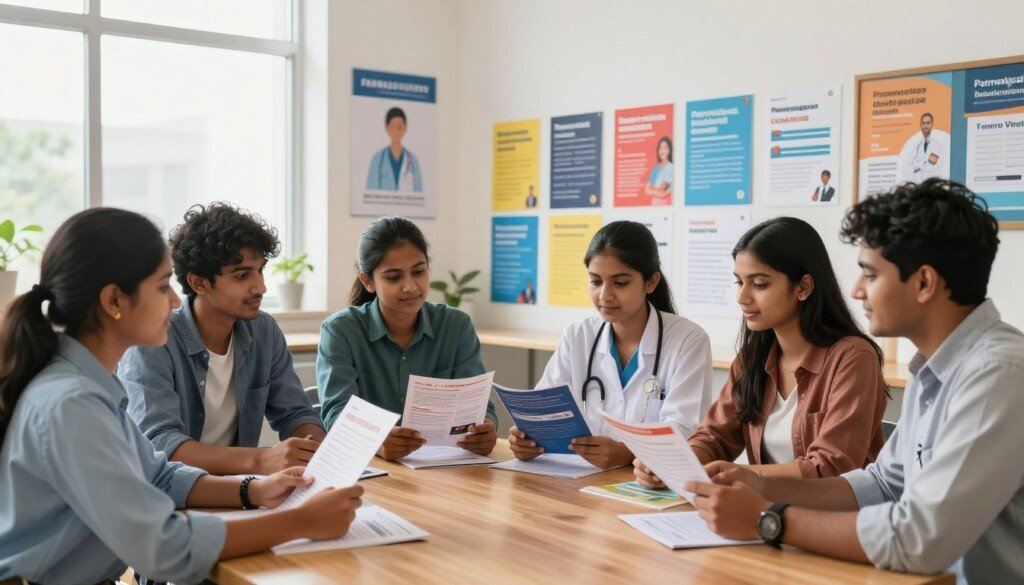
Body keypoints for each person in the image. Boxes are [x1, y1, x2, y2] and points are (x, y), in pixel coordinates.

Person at [685, 179, 1024, 584]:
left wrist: (768, 520)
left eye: (870, 274)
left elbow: (919, 539)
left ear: (924, 283)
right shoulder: (934, 367)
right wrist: (758, 485)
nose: (856, 290)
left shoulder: (999, 373)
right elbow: (881, 484)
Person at [0, 208, 363, 584]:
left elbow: (158, 477)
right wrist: (300, 520)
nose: (175, 301)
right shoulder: (72, 404)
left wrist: (256, 490)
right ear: (113, 301)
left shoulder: (87, 386)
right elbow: (163, 548)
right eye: (162, 287)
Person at [635, 217, 887, 484]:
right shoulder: (752, 358)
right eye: (739, 282)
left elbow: (831, 467)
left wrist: (742, 475)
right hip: (768, 513)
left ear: (803, 287)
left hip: (837, 518)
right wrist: (672, 463)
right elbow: (714, 438)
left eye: (759, 284)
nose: (742, 297)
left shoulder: (853, 357)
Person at [119, 203, 324, 476]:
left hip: (243, 488)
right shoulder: (154, 340)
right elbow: (161, 444)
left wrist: (313, 451)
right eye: (242, 276)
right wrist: (263, 461)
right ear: (199, 283)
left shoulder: (264, 331)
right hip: (173, 494)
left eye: (260, 270)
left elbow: (296, 414)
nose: (260, 287)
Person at [509, 221, 713, 469]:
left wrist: (628, 452)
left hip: (649, 481)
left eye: (620, 283)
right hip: (581, 481)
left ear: (651, 282)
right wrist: (528, 440)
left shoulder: (687, 340)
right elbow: (544, 410)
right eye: (596, 282)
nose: (605, 295)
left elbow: (685, 426)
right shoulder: (577, 336)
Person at [318, 216, 498, 460]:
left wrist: (485, 429)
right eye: (393, 277)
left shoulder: (456, 326)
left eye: (418, 272)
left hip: (447, 468)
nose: (411, 286)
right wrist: (375, 442)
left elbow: (479, 406)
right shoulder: (341, 331)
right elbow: (337, 412)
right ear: (368, 282)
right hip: (374, 469)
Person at [366, 106, 423, 192]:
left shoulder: (413, 160)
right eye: (392, 127)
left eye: (400, 127)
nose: (396, 131)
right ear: (386, 128)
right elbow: (370, 192)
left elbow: (419, 194)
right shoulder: (378, 159)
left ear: (405, 128)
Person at [899, 112, 949, 183]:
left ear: (932, 125)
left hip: (933, 185)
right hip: (920, 186)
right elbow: (905, 169)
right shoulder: (917, 147)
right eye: (923, 123)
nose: (925, 126)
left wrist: (917, 166)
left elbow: (933, 167)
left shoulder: (937, 146)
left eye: (928, 123)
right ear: (921, 125)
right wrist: (918, 166)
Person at [644, 136, 673, 203]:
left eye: (665, 148)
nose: (662, 150)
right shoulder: (656, 168)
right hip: (654, 207)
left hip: (666, 207)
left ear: (670, 150)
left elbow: (664, 193)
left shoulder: (672, 168)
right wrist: (658, 190)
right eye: (660, 148)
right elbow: (646, 190)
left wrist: (653, 189)